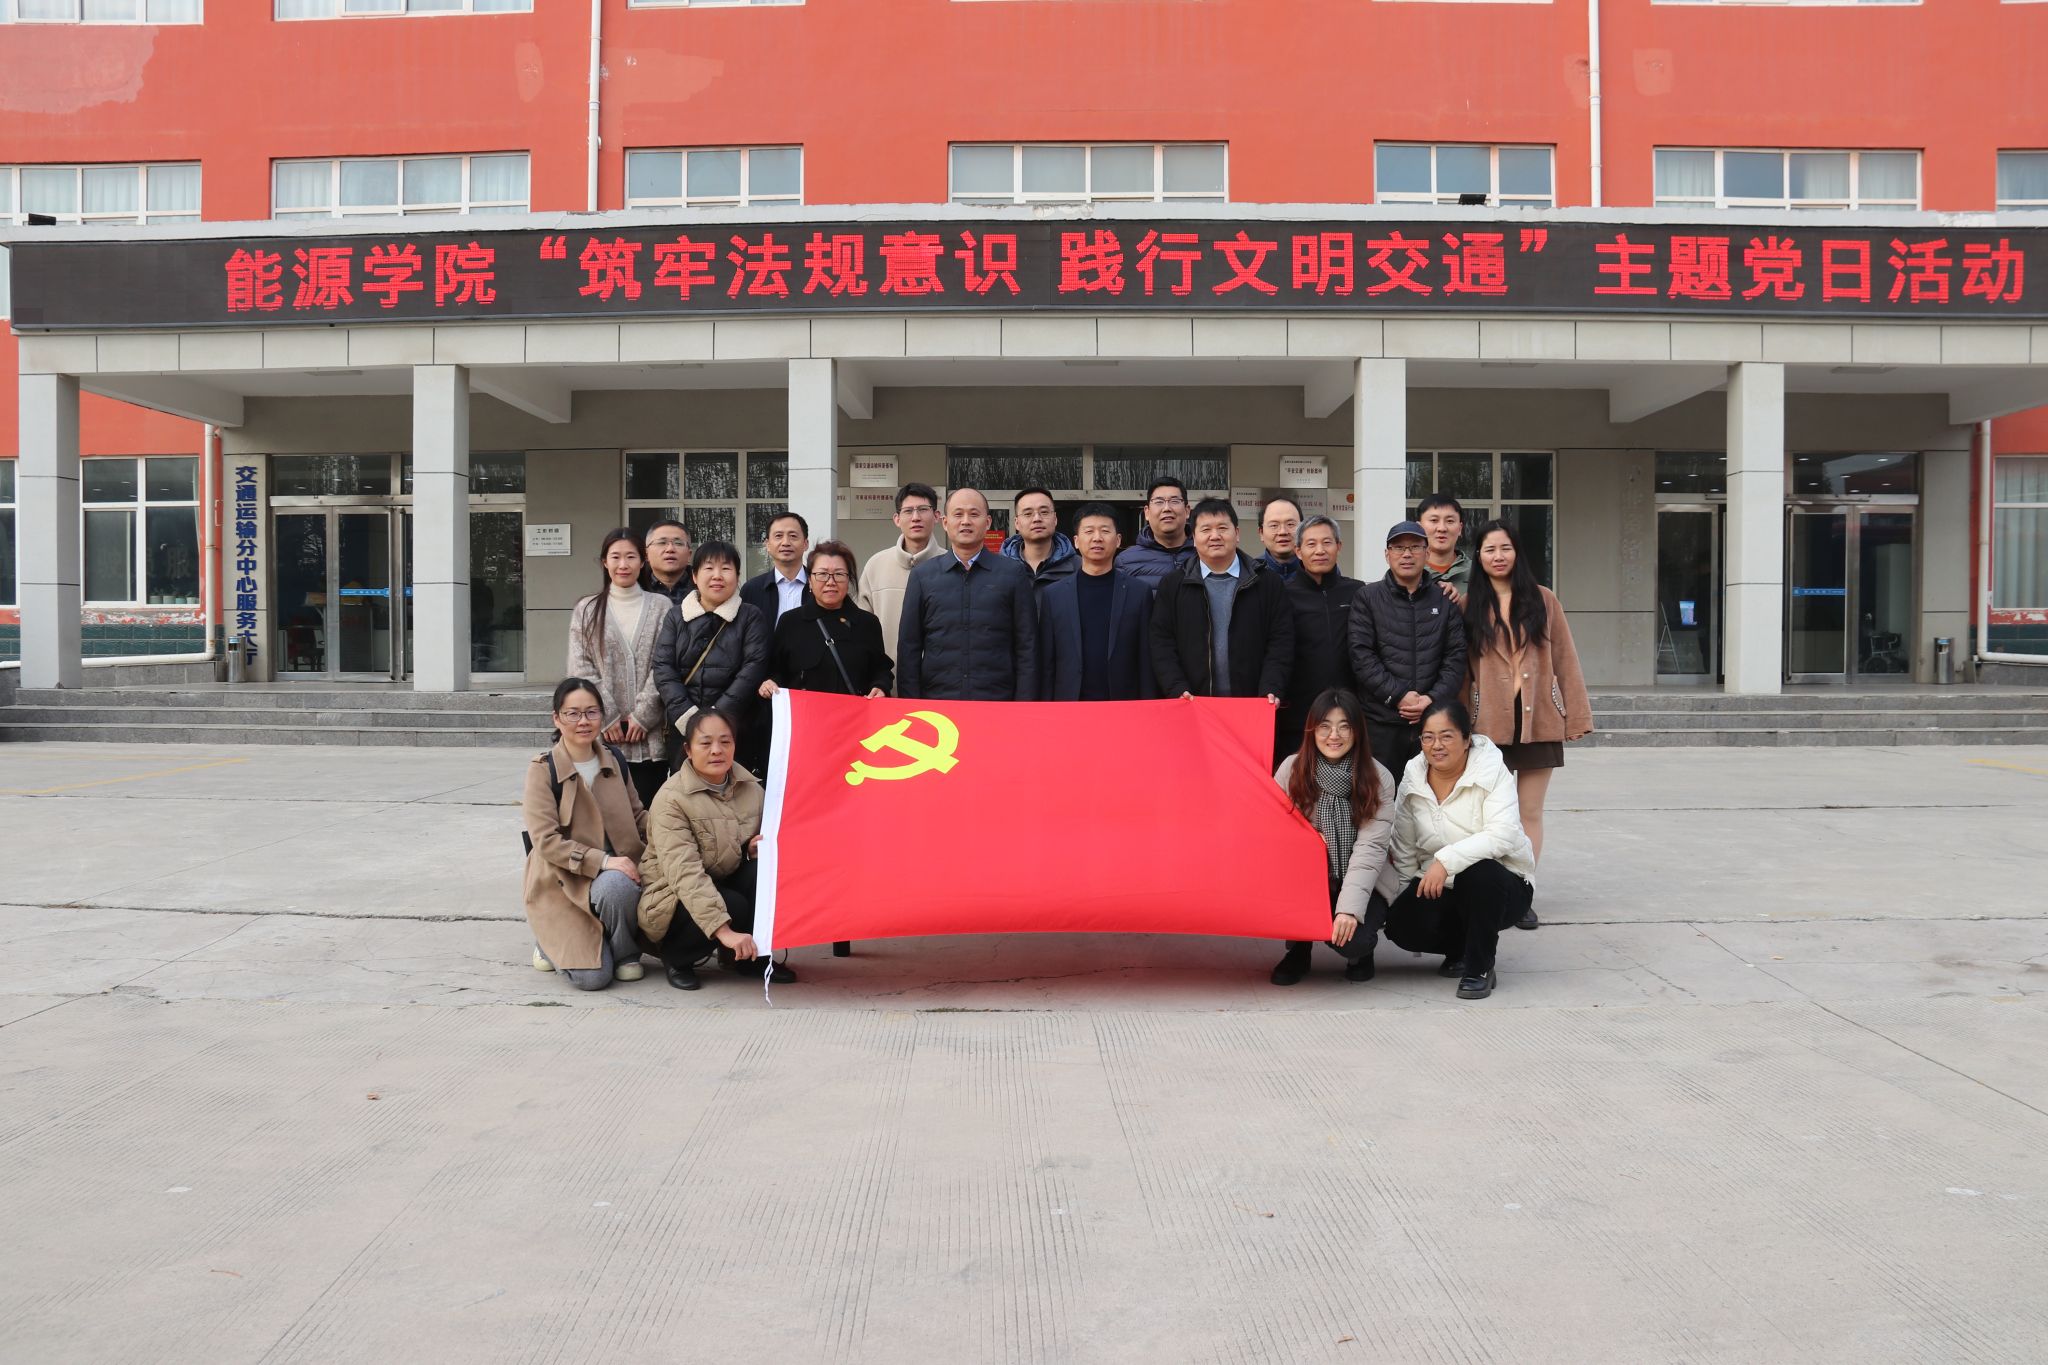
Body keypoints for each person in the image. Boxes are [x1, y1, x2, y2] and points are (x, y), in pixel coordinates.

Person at [1463, 518, 1593, 930]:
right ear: (1478, 557)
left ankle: (1523, 892)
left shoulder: (1543, 599)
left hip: (1540, 721)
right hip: (1488, 724)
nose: (1498, 556)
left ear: (1517, 553)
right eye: (1489, 549)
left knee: (1529, 812)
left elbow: (1566, 659)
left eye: (1505, 548)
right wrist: (1460, 724)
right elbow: (1462, 672)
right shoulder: (1468, 605)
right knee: (1491, 815)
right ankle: (1492, 892)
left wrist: (1576, 715)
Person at [1383, 699, 1536, 1001]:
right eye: (1428, 737)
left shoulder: (1492, 770)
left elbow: (1503, 835)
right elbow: (1403, 842)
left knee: (1479, 874)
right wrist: (1403, 893)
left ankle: (1479, 968)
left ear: (1467, 740)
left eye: (1447, 736)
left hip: (1502, 884)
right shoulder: (1414, 773)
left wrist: (1445, 861)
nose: (1436, 745)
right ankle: (1460, 949)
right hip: (1441, 883)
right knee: (1401, 924)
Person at [635, 709, 795, 990]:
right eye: (706, 743)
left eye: (725, 741)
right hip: (670, 896)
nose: (717, 750)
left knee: (763, 872)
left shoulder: (752, 789)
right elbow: (685, 874)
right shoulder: (671, 799)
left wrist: (749, 850)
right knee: (732, 904)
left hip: (721, 878)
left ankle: (751, 959)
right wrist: (725, 931)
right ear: (688, 750)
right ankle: (677, 958)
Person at [521, 678, 650, 991]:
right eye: (573, 713)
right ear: (557, 718)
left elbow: (638, 817)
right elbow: (546, 841)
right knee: (593, 979)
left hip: (614, 877)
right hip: (563, 880)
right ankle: (548, 941)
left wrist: (677, 830)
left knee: (618, 885)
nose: (583, 721)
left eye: (592, 712)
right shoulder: (543, 769)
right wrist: (604, 861)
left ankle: (624, 952)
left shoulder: (615, 760)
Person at [1270, 688, 1398, 985]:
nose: (1334, 736)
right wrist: (1311, 842)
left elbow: (1370, 849)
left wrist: (1349, 911)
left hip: (1363, 875)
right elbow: (1275, 831)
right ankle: (1299, 949)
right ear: (1312, 730)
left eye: (1344, 726)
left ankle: (1361, 954)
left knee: (1353, 941)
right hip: (1308, 876)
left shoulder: (1378, 777)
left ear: (1357, 731)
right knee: (1288, 881)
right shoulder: (1292, 769)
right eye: (1325, 726)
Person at [1347, 519, 1468, 781]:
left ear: (1427, 553)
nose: (1407, 554)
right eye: (1399, 548)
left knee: (1432, 796)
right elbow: (1361, 655)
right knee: (1381, 795)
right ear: (1387, 554)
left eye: (1415, 547)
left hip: (1432, 722)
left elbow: (1456, 658)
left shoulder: (1445, 599)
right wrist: (1399, 695)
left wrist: (1431, 699)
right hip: (1381, 722)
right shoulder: (1368, 597)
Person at [897, 486, 1039, 701]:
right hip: (938, 703)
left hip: (998, 701)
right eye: (958, 514)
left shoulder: (1012, 573)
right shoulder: (922, 576)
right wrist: (911, 705)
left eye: (974, 514)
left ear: (988, 522)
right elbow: (909, 648)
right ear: (945, 523)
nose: (965, 521)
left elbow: (1027, 646)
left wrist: (1023, 705)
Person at [1149, 498, 1293, 708]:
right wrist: (1176, 688)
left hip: (1254, 705)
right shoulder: (1173, 585)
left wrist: (1271, 687)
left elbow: (1281, 641)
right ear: (1194, 538)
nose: (1215, 536)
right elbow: (1162, 642)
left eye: (1222, 528)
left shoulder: (1267, 583)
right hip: (1192, 705)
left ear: (1237, 533)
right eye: (1206, 529)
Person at [566, 528, 669, 806]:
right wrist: (607, 715)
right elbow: (580, 667)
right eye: (615, 557)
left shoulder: (661, 606)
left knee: (648, 812)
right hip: (601, 734)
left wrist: (643, 716)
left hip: (649, 736)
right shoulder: (587, 609)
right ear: (604, 561)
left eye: (630, 557)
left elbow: (666, 664)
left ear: (643, 561)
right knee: (602, 813)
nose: (623, 564)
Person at [652, 541, 771, 767]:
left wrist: (719, 719)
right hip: (683, 727)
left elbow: (753, 668)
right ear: (695, 576)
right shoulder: (676, 617)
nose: (717, 576)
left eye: (726, 568)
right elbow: (663, 668)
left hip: (735, 728)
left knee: (733, 785)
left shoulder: (750, 616)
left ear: (737, 576)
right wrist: (688, 718)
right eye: (709, 568)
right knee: (687, 786)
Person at [1037, 502, 1153, 701]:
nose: (1097, 538)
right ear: (1076, 541)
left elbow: (1146, 660)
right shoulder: (1053, 595)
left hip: (1123, 703)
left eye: (1105, 531)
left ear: (1118, 540)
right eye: (1089, 531)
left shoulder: (1139, 592)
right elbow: (1047, 663)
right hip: (1069, 704)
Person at [1276, 514, 1362, 769]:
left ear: (1339, 546)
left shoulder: (1358, 592)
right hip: (1297, 716)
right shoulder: (1282, 594)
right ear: (1298, 551)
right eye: (1311, 544)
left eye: (1327, 542)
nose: (1320, 551)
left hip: (1348, 712)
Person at [760, 540, 892, 700]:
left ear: (849, 580)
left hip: (855, 713)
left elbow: (881, 670)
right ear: (810, 580)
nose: (830, 582)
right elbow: (776, 671)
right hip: (806, 713)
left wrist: (880, 686)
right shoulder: (790, 622)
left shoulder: (867, 623)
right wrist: (770, 683)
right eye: (822, 574)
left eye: (839, 574)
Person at [855, 482, 946, 664]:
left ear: (936, 516)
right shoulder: (876, 566)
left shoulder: (950, 565)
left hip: (940, 677)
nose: (915, 517)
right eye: (908, 511)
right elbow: (860, 628)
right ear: (897, 519)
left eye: (923, 509)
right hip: (887, 677)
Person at [1118, 475, 1199, 594]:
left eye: (1174, 501)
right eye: (1159, 502)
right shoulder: (1126, 561)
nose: (1166, 508)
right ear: (1147, 512)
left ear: (1187, 511)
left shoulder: (1204, 553)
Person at [740, 510, 811, 625]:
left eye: (793, 536)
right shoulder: (752, 589)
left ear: (805, 544)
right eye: (778, 536)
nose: (785, 542)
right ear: (767, 544)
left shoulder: (820, 586)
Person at [999, 485, 1078, 589]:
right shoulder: (997, 569)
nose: (1037, 519)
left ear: (1055, 519)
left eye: (1044, 512)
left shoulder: (1080, 567)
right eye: (1028, 514)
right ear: (1017, 523)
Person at [1417, 493, 1472, 607]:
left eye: (1450, 521)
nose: (1442, 528)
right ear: (1419, 527)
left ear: (1460, 528)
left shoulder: (1478, 572)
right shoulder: (1405, 571)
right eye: (1434, 520)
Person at [643, 518, 694, 608]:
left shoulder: (704, 588)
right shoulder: (634, 587)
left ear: (689, 555)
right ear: (646, 554)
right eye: (662, 543)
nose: (670, 549)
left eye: (678, 543)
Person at [1255, 496, 1304, 583]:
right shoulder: (1249, 575)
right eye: (1274, 525)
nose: (1283, 532)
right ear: (1261, 533)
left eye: (1290, 524)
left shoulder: (1318, 571)